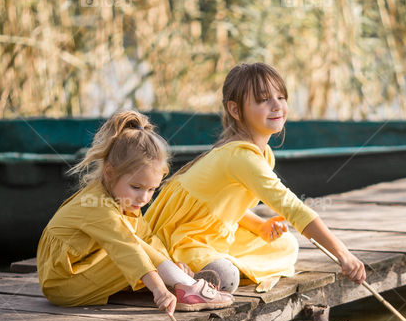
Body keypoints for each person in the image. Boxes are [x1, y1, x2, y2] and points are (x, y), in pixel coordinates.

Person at [145, 62, 366, 293]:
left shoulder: (263, 155)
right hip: (183, 240)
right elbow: (293, 208)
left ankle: (203, 270)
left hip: (216, 234)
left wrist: (259, 225)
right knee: (227, 278)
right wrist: (343, 253)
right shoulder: (240, 156)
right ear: (235, 109)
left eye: (281, 97)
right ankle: (185, 269)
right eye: (263, 100)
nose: (276, 106)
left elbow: (223, 207)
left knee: (285, 245)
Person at [36, 110, 234, 313]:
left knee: (141, 243)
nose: (144, 198)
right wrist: (159, 290)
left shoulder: (124, 199)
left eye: (151, 189)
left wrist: (171, 262)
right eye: (137, 187)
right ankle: (186, 286)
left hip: (87, 267)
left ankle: (179, 282)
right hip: (63, 283)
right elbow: (128, 248)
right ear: (110, 172)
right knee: (132, 245)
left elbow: (147, 237)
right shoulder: (95, 205)